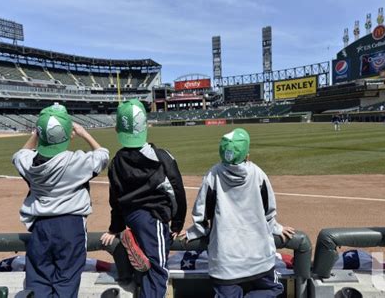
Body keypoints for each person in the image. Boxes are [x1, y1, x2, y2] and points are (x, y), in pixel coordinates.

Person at [183, 128, 295, 298]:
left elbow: (201, 216)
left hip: (225, 265)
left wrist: (194, 232)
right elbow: (269, 211)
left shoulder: (212, 175)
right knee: (274, 289)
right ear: (247, 156)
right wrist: (276, 228)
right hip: (259, 259)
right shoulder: (258, 173)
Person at [12, 104, 109, 297]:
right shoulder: (77, 162)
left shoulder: (29, 164)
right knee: (66, 281)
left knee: (38, 281)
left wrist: (37, 134)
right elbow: (103, 155)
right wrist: (83, 133)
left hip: (40, 227)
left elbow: (19, 155)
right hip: (71, 227)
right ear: (68, 134)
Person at [100, 99, 187, 298]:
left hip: (131, 217)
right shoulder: (162, 157)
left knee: (148, 263)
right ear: (146, 126)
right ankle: (143, 255)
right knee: (159, 270)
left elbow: (115, 198)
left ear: (117, 129)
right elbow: (177, 191)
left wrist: (116, 227)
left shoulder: (116, 162)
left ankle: (135, 247)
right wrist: (177, 224)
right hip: (154, 218)